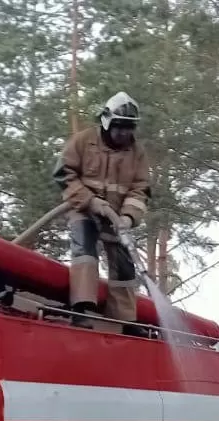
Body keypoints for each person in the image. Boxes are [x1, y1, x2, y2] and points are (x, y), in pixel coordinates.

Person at [51, 91, 151, 333]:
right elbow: (63, 174)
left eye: (129, 128)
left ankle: (125, 320)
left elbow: (141, 189)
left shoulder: (137, 153)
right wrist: (90, 201)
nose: (124, 133)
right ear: (107, 121)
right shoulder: (84, 141)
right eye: (119, 127)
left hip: (117, 217)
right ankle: (82, 307)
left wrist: (128, 217)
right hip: (84, 209)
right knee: (85, 250)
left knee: (125, 265)